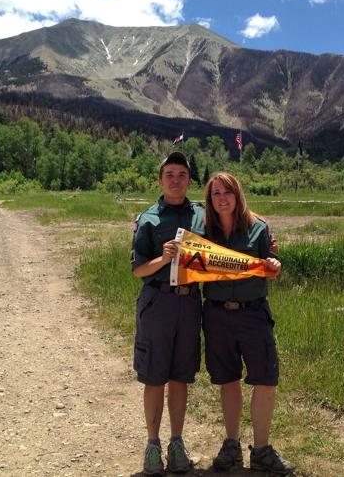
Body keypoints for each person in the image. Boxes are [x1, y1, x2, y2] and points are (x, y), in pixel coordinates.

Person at [202, 172, 294, 475]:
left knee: (265, 379)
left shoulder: (258, 228)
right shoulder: (203, 231)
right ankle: (232, 445)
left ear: (237, 195)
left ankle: (262, 451)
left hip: (253, 314)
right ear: (210, 199)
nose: (222, 199)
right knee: (227, 380)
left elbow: (271, 264)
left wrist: (275, 265)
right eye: (216, 193)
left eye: (227, 192)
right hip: (217, 315)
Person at [131, 151, 205, 475]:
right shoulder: (148, 219)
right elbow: (138, 270)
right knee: (154, 376)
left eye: (182, 175)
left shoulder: (201, 216)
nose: (176, 180)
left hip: (189, 303)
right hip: (157, 302)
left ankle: (176, 443)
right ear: (160, 180)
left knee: (180, 377)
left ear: (190, 180)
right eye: (169, 175)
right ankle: (152, 445)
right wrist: (162, 259)